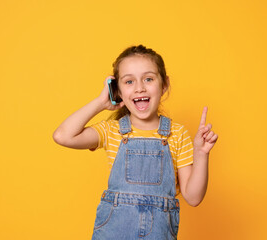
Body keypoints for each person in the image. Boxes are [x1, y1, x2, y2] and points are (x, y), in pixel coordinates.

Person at [53, 45, 218, 239]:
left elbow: (194, 197)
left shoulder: (178, 134)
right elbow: (63, 136)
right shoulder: (111, 130)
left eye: (148, 79)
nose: (139, 87)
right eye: (129, 81)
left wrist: (201, 154)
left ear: (164, 84)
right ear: (118, 91)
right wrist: (101, 102)